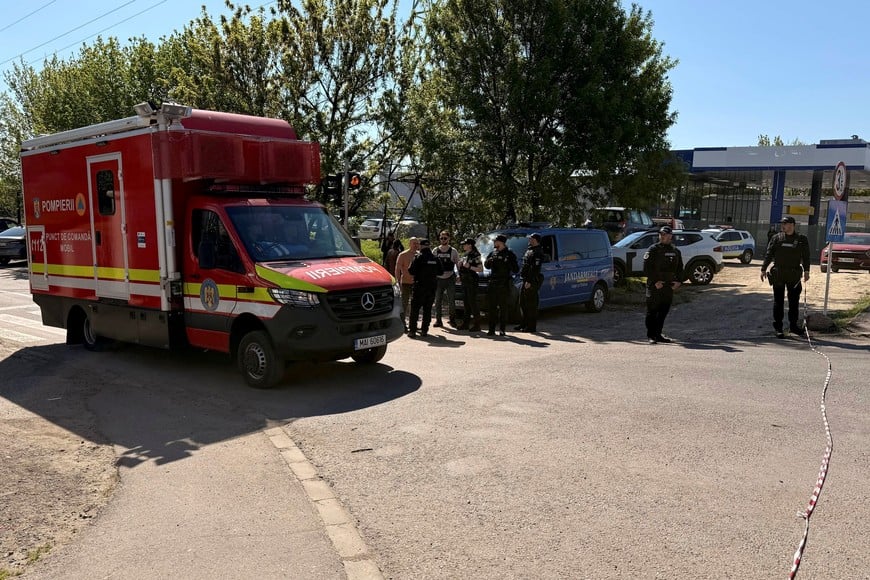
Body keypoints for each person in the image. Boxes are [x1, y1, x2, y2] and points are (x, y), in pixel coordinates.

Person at [760, 216, 811, 338]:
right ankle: (778, 328)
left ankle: (793, 326)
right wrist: (763, 269)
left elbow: (806, 256)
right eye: (782, 224)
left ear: (793, 225)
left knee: (793, 302)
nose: (783, 226)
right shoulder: (776, 238)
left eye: (786, 223)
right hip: (779, 273)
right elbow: (769, 254)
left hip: (793, 274)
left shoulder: (801, 239)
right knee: (778, 302)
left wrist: (807, 271)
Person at [643, 225, 684, 344]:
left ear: (671, 236)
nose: (664, 237)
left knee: (663, 311)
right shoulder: (653, 249)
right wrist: (655, 281)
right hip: (655, 285)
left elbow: (680, 268)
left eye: (667, 235)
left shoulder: (675, 251)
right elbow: (646, 268)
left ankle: (658, 334)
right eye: (662, 235)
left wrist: (679, 281)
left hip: (668, 285)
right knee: (652, 311)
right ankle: (651, 335)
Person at [407, 238, 443, 338]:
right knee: (427, 310)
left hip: (419, 287)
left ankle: (412, 331)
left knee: (415, 310)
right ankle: (424, 331)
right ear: (429, 246)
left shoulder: (418, 257)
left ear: (421, 246)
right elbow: (441, 272)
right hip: (431, 288)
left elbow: (411, 271)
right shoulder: (435, 258)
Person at [484, 234, 519, 336]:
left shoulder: (509, 254)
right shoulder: (493, 253)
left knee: (503, 308)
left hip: (503, 284)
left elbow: (516, 269)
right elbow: (486, 265)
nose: (494, 243)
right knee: (492, 308)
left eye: (496, 241)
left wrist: (508, 263)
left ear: (502, 242)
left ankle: (502, 329)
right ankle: (491, 329)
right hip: (493, 283)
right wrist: (489, 261)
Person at [515, 232, 544, 332]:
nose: (529, 240)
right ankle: (523, 324)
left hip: (531, 281)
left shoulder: (538, 252)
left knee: (531, 305)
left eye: (531, 238)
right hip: (525, 279)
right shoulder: (530, 250)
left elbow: (535, 269)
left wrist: (530, 281)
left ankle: (531, 327)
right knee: (523, 303)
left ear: (535, 240)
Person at [432, 230, 460, 327]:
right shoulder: (435, 250)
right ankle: (438, 320)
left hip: (450, 278)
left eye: (445, 238)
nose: (443, 240)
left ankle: (452, 319)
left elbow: (457, 264)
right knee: (438, 300)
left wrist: (458, 275)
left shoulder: (453, 251)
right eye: (441, 238)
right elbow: (432, 264)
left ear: (449, 239)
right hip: (438, 279)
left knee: (451, 300)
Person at [456, 237, 483, 331]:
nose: (463, 246)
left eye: (465, 244)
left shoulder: (476, 254)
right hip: (465, 281)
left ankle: (477, 324)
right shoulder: (466, 254)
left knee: (472, 303)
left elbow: (480, 269)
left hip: (472, 281)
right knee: (466, 304)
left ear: (470, 245)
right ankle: (465, 323)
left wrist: (470, 266)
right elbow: (464, 267)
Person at [394, 237, 420, 332]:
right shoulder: (403, 255)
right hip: (405, 283)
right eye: (414, 243)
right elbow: (397, 269)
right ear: (410, 244)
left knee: (415, 305)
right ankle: (403, 324)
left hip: (416, 284)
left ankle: (413, 324)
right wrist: (397, 282)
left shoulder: (419, 255)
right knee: (404, 305)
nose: (416, 245)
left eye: (417, 243)